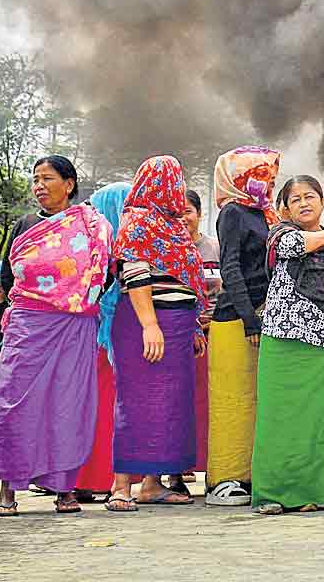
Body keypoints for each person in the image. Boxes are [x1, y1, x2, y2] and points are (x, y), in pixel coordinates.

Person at [0, 155, 110, 516]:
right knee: (13, 400)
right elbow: (7, 279)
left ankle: (64, 489)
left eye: (47, 179)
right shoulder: (26, 225)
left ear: (70, 184)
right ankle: (8, 488)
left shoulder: (91, 226)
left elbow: (102, 275)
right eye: (35, 180)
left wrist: (73, 300)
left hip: (74, 325)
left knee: (67, 404)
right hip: (27, 326)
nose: (39, 186)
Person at [251, 176, 324, 515]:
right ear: (284, 208)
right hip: (283, 340)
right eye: (294, 199)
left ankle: (310, 492)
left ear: (323, 201)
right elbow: (294, 247)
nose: (303, 203)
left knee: (318, 419)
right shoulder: (281, 235)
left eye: (309, 196)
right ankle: (271, 493)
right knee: (278, 418)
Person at [107, 156, 207, 511]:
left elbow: (188, 280)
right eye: (173, 181)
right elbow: (135, 274)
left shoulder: (174, 226)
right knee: (136, 401)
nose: (177, 189)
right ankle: (121, 486)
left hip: (178, 325)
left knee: (169, 404)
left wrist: (193, 323)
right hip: (145, 321)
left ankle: (151, 484)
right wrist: (150, 324)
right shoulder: (138, 220)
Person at [207, 146, 281, 507]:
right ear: (238, 179)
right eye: (260, 174)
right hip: (236, 319)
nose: (266, 181)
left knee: (255, 400)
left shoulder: (265, 214)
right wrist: (249, 317)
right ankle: (224, 478)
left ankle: (250, 474)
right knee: (232, 400)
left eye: (269, 175)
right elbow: (230, 267)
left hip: (263, 317)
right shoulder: (233, 212)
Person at [74, 183, 130, 500]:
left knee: (97, 407)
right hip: (108, 339)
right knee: (107, 408)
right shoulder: (111, 247)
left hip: (95, 339)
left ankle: (89, 478)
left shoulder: (92, 246)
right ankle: (99, 478)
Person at [164, 189, 219, 497]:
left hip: (214, 337)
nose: (182, 218)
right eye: (175, 212)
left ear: (199, 214)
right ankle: (174, 473)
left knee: (210, 406)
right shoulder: (164, 250)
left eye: (187, 211)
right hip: (177, 338)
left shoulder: (214, 247)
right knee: (177, 406)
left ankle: (216, 469)